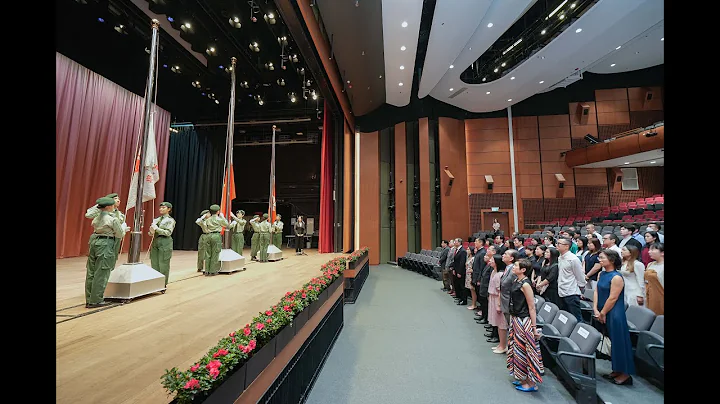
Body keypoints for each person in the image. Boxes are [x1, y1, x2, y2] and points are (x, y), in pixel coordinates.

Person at [594, 249, 635, 385]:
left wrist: (603, 312)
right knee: (611, 342)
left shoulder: (616, 277)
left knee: (619, 343)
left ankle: (625, 373)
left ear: (611, 260)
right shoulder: (601, 273)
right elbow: (596, 291)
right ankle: (617, 369)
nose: (599, 260)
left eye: (602, 258)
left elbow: (613, 298)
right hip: (601, 310)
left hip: (614, 313)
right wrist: (595, 308)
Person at [507, 259, 544, 393]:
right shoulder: (516, 281)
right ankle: (523, 378)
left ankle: (532, 382)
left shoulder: (526, 284)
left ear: (523, 270)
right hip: (516, 318)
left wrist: (534, 328)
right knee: (518, 349)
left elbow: (531, 307)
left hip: (524, 320)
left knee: (526, 350)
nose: (514, 267)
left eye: (516, 265)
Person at [85, 197, 124, 308]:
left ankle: (89, 299)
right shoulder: (112, 219)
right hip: (106, 244)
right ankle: (96, 300)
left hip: (94, 242)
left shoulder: (97, 217)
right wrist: (123, 229)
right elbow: (119, 234)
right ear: (109, 207)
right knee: (102, 272)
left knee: (91, 272)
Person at [85, 192, 129, 259]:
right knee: (102, 260)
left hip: (115, 238)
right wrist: (100, 205)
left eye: (118, 199)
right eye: (115, 199)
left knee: (111, 259)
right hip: (103, 238)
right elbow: (88, 215)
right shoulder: (101, 211)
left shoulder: (120, 214)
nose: (118, 200)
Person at [556, 237, 586, 322]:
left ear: (566, 246)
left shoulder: (573, 259)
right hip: (561, 291)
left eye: (559, 244)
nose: (556, 245)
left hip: (571, 292)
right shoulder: (560, 257)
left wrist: (581, 287)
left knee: (576, 318)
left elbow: (580, 276)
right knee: (566, 318)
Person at [149, 202, 176, 288]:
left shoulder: (170, 220)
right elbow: (151, 232)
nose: (161, 209)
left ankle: (162, 284)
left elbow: (168, 232)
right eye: (160, 208)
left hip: (165, 241)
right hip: (156, 240)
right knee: (154, 262)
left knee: (163, 263)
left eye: (163, 208)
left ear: (169, 209)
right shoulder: (156, 219)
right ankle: (155, 282)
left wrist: (157, 229)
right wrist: (151, 231)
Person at [498, 249, 520, 353]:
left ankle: (512, 349)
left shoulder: (514, 270)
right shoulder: (507, 268)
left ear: (511, 258)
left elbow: (515, 288)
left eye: (505, 254)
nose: (503, 255)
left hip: (510, 303)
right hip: (504, 301)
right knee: (508, 324)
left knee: (511, 326)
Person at [487, 253, 507, 347]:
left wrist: (499, 304)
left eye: (492, 260)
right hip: (492, 296)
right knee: (495, 319)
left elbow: (500, 290)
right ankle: (498, 340)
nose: (490, 261)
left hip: (497, 298)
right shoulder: (493, 271)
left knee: (500, 321)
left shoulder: (500, 274)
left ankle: (502, 343)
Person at [203, 204, 228, 275]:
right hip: (216, 235)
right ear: (218, 211)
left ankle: (207, 270)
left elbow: (204, 225)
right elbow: (226, 224)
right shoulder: (219, 219)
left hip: (208, 235)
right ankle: (213, 271)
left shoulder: (208, 219)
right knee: (215, 253)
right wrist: (222, 216)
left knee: (208, 253)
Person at [644, 243, 664, 315]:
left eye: (653, 249)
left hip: (660, 296)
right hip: (649, 293)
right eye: (649, 249)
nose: (649, 252)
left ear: (662, 253)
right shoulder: (650, 264)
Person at [452, 238, 468, 305]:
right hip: (456, 270)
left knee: (462, 286)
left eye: (455, 241)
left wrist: (459, 272)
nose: (454, 243)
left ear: (459, 242)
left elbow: (462, 263)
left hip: (460, 271)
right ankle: (460, 298)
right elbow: (455, 261)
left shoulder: (463, 251)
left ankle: (464, 300)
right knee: (458, 285)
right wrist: (453, 269)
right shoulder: (457, 250)